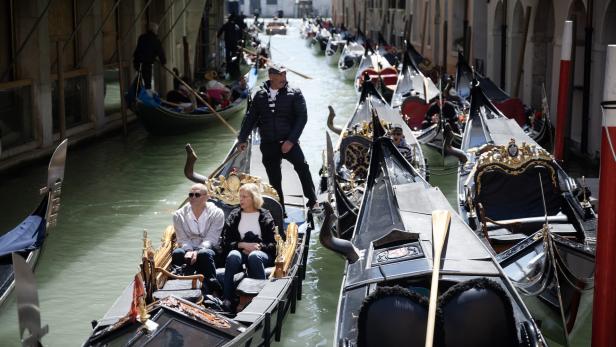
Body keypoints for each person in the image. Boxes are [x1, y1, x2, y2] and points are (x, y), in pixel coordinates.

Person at [236, 64, 318, 211]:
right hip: (268, 144)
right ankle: (280, 209)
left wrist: (291, 141)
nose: (284, 78)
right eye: (280, 75)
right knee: (274, 179)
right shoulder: (260, 95)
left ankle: (312, 200)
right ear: (271, 76)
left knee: (302, 167)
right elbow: (251, 118)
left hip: (289, 142)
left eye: (285, 75)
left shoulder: (295, 92)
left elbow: (302, 118)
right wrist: (242, 139)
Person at [221, 183, 277, 311]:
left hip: (261, 253)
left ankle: (262, 297)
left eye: (244, 197)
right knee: (232, 256)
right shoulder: (235, 215)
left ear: (253, 198)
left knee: (254, 256)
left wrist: (258, 247)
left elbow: (273, 243)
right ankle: (227, 298)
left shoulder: (265, 216)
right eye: (240, 196)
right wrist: (242, 244)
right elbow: (226, 241)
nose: (240, 199)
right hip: (240, 251)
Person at [172, 183, 225, 294]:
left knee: (203, 254)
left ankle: (213, 288)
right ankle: (179, 286)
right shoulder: (178, 215)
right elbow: (182, 239)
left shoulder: (217, 213)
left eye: (197, 195)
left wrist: (197, 251)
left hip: (210, 249)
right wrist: (189, 250)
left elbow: (212, 238)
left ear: (207, 197)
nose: (193, 198)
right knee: (177, 253)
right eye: (191, 195)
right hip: (188, 248)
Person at [133, 23, 166, 90]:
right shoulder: (156, 40)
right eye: (156, 30)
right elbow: (161, 53)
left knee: (139, 80)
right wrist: (163, 62)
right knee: (147, 83)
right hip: (146, 64)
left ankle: (139, 93)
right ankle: (146, 95)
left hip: (137, 62)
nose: (157, 31)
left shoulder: (141, 37)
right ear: (154, 30)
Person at [217, 14, 243, 79]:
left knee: (228, 57)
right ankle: (234, 70)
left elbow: (220, 32)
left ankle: (228, 70)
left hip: (228, 44)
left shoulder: (226, 25)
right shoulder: (236, 26)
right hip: (234, 44)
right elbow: (239, 34)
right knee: (234, 57)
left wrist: (218, 36)